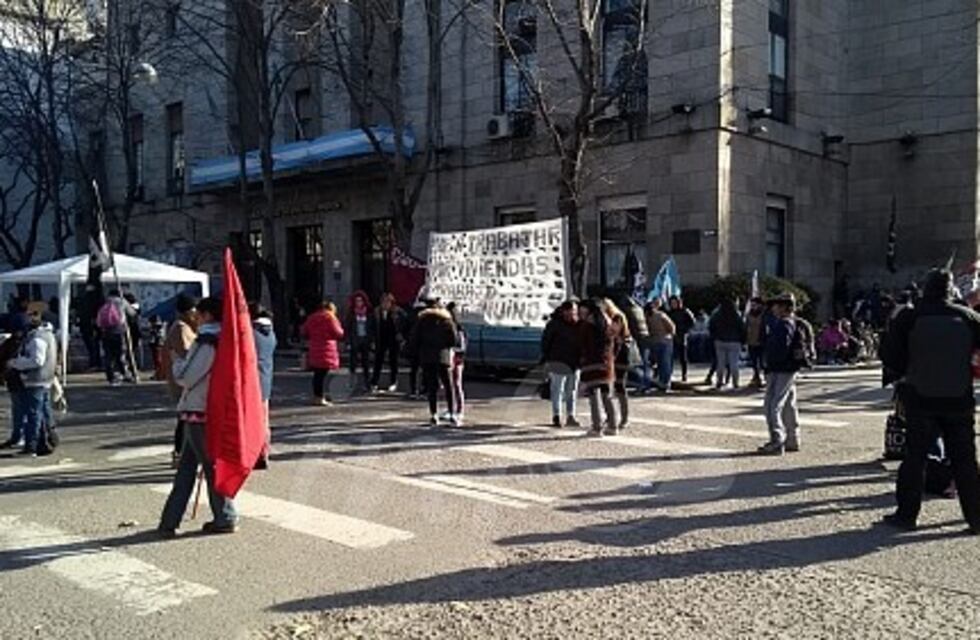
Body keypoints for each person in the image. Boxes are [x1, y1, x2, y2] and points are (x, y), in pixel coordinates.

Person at [879, 269, 980, 534]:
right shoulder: (968, 317)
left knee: (915, 458)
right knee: (965, 461)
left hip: (920, 397)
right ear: (950, 289)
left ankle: (906, 515)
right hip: (959, 398)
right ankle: (976, 518)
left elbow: (890, 356)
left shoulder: (909, 316)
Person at [158, 297, 239, 537]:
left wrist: (176, 362)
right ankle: (170, 520)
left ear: (207, 315)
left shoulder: (208, 341)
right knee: (188, 466)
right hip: (207, 408)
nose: (196, 318)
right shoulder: (225, 338)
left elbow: (187, 376)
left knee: (207, 466)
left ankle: (225, 515)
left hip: (199, 409)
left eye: (199, 314)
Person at [758, 293, 804, 455]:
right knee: (789, 405)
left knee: (772, 405)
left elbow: (779, 350)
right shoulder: (793, 323)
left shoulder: (783, 325)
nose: (773, 308)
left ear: (784, 307)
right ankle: (792, 439)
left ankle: (777, 440)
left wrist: (768, 366)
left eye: (776, 305)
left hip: (780, 369)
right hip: (789, 369)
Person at [7, 312, 57, 456]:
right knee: (44, 413)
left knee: (33, 414)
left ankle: (32, 446)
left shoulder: (36, 339)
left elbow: (36, 361)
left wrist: (15, 363)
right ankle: (48, 441)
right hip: (46, 378)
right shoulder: (48, 335)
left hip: (35, 380)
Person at [407, 298, 458, 426]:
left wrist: (418, 351)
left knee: (432, 386)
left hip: (427, 357)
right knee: (448, 385)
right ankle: (452, 413)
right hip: (443, 356)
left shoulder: (422, 320)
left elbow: (414, 339)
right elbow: (454, 339)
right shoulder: (446, 320)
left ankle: (434, 414)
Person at [163, 295, 198, 466]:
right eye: (194, 311)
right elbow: (187, 353)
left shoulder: (184, 326)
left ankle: (181, 452)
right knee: (184, 418)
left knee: (185, 418)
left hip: (182, 380)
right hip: (182, 381)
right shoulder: (181, 328)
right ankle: (179, 452)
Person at [579, 299, 619, 437]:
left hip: (592, 364)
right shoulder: (608, 324)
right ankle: (613, 425)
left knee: (593, 396)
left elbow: (583, 345)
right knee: (607, 395)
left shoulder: (587, 326)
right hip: (607, 364)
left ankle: (597, 427)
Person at [541, 300, 581, 428]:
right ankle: (557, 415)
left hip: (574, 363)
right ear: (563, 312)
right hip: (558, 361)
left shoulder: (578, 324)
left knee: (571, 390)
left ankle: (571, 415)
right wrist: (548, 359)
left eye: (574, 312)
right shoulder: (554, 324)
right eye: (570, 312)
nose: (572, 315)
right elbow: (546, 342)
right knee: (557, 390)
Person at [302, 301, 345, 406]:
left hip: (315, 348)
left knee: (318, 374)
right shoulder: (330, 318)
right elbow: (338, 333)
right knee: (322, 375)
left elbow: (304, 331)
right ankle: (320, 397)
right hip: (327, 349)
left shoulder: (312, 318)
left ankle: (317, 396)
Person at [250, 303, 277, 469]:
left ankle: (255, 453)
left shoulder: (252, 333)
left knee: (252, 421)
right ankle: (263, 452)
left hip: (253, 381)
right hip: (265, 380)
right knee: (263, 420)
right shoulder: (269, 332)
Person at [97, 289, 136, 385]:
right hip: (119, 330)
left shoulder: (104, 302)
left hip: (106, 331)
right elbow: (132, 313)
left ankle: (111, 376)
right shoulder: (121, 301)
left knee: (108, 356)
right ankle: (125, 373)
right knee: (121, 354)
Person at [604, 299, 632, 429]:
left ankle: (624, 418)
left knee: (620, 388)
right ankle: (611, 416)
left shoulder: (617, 318)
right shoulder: (611, 320)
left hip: (621, 360)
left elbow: (617, 333)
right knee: (610, 390)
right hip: (613, 359)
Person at [371, 293, 406, 393]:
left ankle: (393, 382)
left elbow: (405, 323)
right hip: (380, 339)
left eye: (387, 302)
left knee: (393, 361)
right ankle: (374, 382)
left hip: (393, 339)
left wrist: (402, 335)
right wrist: (372, 340)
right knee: (378, 361)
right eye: (383, 302)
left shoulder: (398, 312)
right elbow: (372, 326)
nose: (385, 304)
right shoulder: (376, 312)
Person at [709, 298, 746, 390]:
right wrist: (743, 341)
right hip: (734, 341)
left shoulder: (717, 314)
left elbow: (711, 326)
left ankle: (719, 382)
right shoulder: (736, 315)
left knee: (720, 363)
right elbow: (742, 328)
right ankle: (735, 383)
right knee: (734, 364)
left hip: (720, 341)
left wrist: (714, 337)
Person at [345, 291, 375, 392]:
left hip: (365, 340)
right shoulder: (351, 313)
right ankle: (351, 383)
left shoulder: (369, 313)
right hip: (355, 340)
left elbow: (372, 327)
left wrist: (372, 340)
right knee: (353, 363)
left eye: (361, 301)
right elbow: (347, 328)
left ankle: (367, 384)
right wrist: (348, 341)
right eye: (357, 301)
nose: (359, 303)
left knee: (366, 363)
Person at [619, 296, 651, 391]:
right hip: (645, 337)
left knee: (637, 363)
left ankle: (641, 384)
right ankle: (646, 384)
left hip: (637, 338)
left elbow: (627, 326)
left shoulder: (627, 311)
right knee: (645, 363)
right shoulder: (639, 309)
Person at [646, 298, 676, 391]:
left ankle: (661, 382)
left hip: (654, 341)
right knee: (665, 363)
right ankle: (665, 383)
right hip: (665, 340)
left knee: (659, 363)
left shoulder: (647, 318)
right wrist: (671, 335)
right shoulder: (661, 315)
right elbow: (672, 327)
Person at [446, 303, 467, 424]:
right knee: (449, 385)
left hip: (457, 360)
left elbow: (462, 347)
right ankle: (451, 408)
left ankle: (460, 411)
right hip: (449, 359)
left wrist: (452, 350)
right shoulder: (447, 327)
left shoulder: (459, 329)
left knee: (457, 384)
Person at [667, 296, 695, 383]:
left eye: (675, 303)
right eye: (672, 303)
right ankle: (669, 373)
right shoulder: (670, 312)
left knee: (683, 357)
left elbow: (692, 322)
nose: (673, 305)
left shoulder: (685, 311)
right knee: (670, 356)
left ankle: (684, 374)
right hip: (672, 335)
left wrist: (685, 330)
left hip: (682, 335)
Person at [123, 293, 143, 371]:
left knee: (131, 349)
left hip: (131, 330)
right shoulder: (136, 306)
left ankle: (133, 364)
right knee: (136, 349)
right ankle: (138, 364)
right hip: (136, 330)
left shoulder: (128, 308)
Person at [148, 315, 167, 381]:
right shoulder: (157, 327)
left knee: (158, 360)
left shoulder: (158, 327)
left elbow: (158, 336)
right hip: (157, 344)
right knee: (157, 360)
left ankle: (160, 374)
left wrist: (153, 331)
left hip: (158, 344)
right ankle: (158, 374)